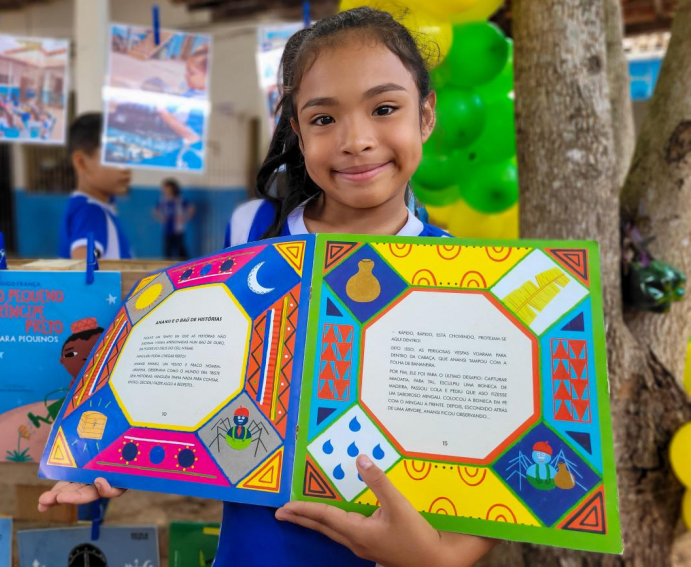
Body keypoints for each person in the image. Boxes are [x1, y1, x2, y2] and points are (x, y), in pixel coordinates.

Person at [39, 8, 496, 566]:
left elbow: (500, 463)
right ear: (297, 130)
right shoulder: (255, 241)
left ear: (425, 116)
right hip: (260, 549)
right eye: (324, 119)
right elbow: (198, 379)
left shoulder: (466, 278)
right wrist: (108, 456)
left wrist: (443, 558)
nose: (356, 140)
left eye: (384, 108)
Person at [58, 113, 134, 260]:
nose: (126, 167)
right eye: (115, 157)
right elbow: (82, 272)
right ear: (81, 162)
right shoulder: (91, 212)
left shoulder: (98, 206)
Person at [153, 178, 194, 260]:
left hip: (178, 229)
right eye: (164, 189)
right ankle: (168, 266)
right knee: (168, 250)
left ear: (173, 189)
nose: (165, 190)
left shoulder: (179, 199)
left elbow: (191, 208)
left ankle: (185, 265)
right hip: (167, 228)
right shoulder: (163, 200)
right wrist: (161, 218)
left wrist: (184, 218)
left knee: (180, 248)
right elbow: (155, 210)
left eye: (167, 188)